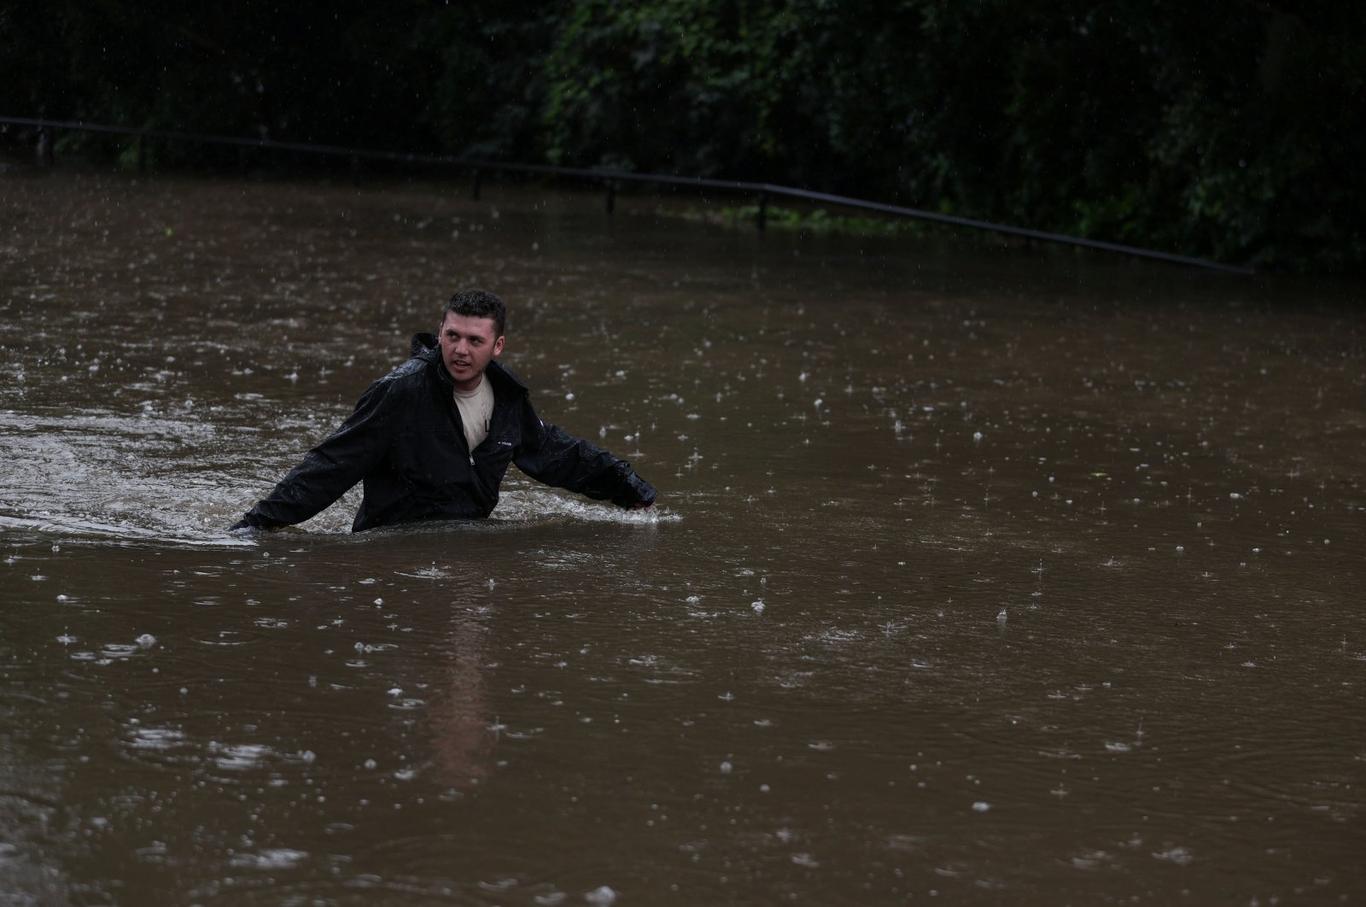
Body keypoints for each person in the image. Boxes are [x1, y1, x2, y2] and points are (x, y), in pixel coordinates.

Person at [230, 289, 656, 532]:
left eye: (474, 341)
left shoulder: (507, 397)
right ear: (439, 333)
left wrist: (630, 491)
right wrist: (255, 527)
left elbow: (553, 452)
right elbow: (331, 465)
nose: (460, 350)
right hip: (394, 551)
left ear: (497, 346)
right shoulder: (401, 392)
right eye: (453, 336)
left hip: (466, 551)